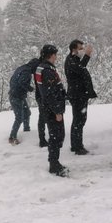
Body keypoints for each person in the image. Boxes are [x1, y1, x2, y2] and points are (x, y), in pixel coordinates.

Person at [36, 44, 69, 177]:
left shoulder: (40, 68)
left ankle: (54, 162)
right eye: (55, 54)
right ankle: (54, 165)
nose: (56, 57)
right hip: (52, 109)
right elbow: (49, 93)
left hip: (46, 107)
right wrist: (57, 112)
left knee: (56, 136)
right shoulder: (47, 70)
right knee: (56, 137)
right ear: (51, 55)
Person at [64, 39, 97, 155]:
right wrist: (87, 55)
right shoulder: (71, 60)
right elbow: (81, 69)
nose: (82, 50)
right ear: (74, 49)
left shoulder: (74, 60)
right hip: (77, 95)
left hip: (80, 94)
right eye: (80, 48)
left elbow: (81, 68)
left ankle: (76, 145)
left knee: (79, 120)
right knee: (78, 120)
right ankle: (77, 147)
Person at [7, 58, 38, 145]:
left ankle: (26, 130)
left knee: (27, 113)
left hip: (17, 95)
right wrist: (31, 88)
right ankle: (12, 137)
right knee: (19, 117)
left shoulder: (22, 68)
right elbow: (22, 82)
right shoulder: (27, 72)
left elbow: (13, 79)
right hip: (16, 97)